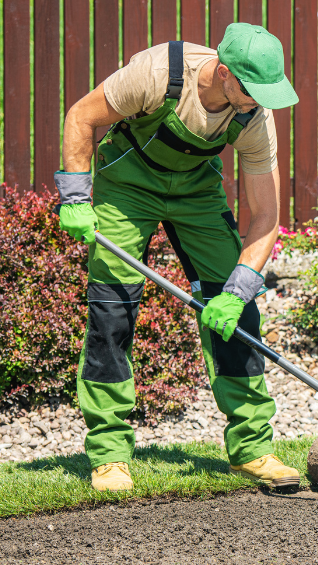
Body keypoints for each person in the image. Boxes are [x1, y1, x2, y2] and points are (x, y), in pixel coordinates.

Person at [55, 23, 301, 493]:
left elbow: (267, 216)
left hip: (196, 193)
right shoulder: (156, 73)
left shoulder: (253, 118)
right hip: (126, 186)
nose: (259, 102)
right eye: (252, 91)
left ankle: (252, 449)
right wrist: (74, 196)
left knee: (239, 312)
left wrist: (241, 286)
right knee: (113, 309)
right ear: (225, 74)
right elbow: (81, 116)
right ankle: (109, 454)